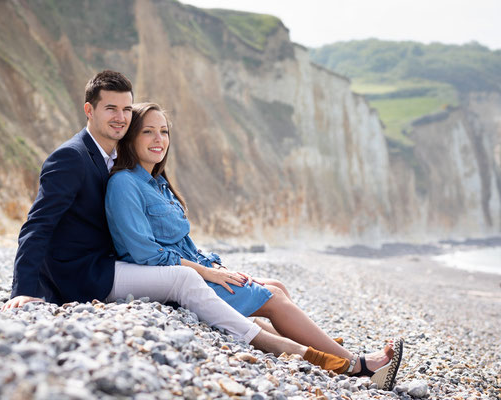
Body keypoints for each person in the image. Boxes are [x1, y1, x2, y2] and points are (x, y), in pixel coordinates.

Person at [1, 70, 356, 366]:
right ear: (88, 110)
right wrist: (27, 291)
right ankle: (286, 347)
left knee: (271, 288)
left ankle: (318, 350)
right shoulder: (71, 158)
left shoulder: (116, 164)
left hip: (114, 262)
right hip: (83, 274)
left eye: (126, 108)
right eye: (111, 108)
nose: (120, 117)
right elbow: (38, 225)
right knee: (185, 280)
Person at [104, 102, 404, 390]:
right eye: (148, 131)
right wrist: (208, 274)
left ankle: (324, 352)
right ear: (131, 137)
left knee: (275, 285)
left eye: (164, 131)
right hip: (169, 283)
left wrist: (215, 266)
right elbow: (146, 253)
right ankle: (357, 365)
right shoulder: (124, 184)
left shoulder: (157, 182)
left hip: (195, 269)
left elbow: (184, 243)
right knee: (271, 297)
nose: (159, 139)